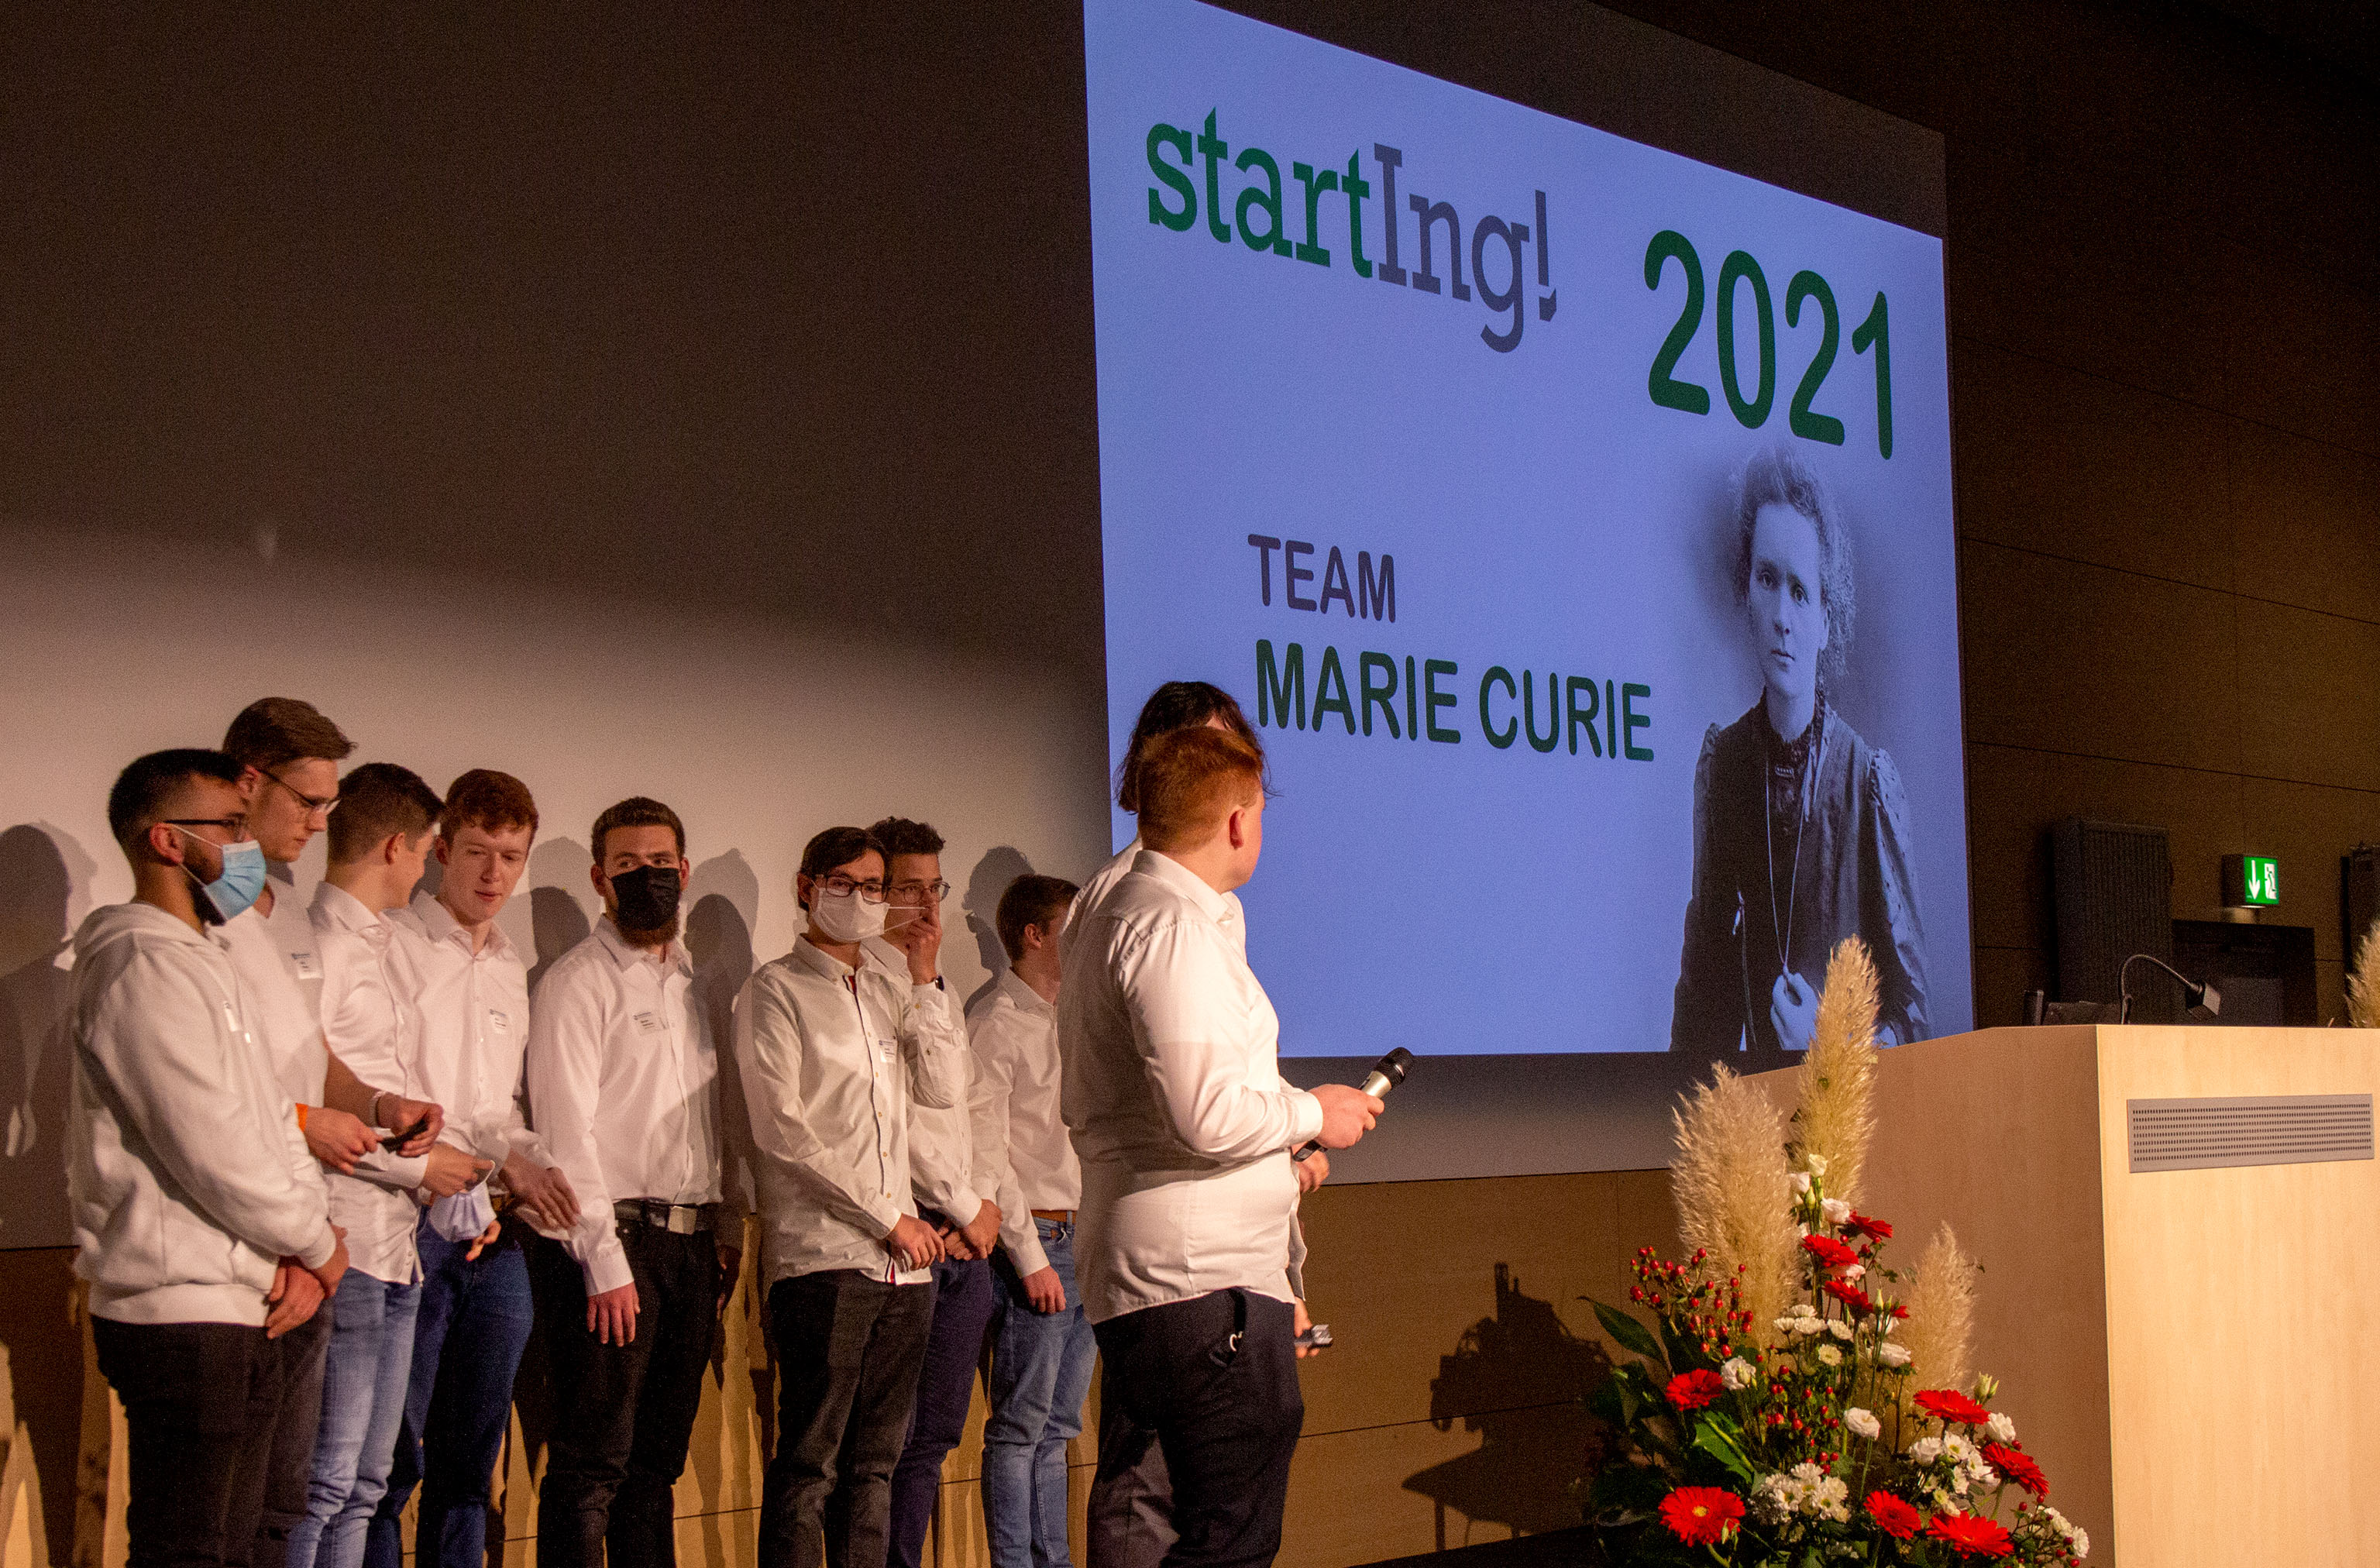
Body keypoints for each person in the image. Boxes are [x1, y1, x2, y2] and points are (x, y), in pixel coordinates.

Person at [1061, 727, 1380, 1568]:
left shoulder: (1121, 909)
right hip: (1205, 1285)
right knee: (1227, 1536)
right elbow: (1203, 1111)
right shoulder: (1171, 924)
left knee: (1152, 1518)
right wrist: (1313, 1111)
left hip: (1165, 1277)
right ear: (1239, 821)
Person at [67, 748, 350, 1568]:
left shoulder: (205, 958)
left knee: (240, 1537)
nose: (248, 842)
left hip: (246, 1292)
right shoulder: (140, 961)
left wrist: (303, 1244)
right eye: (229, 826)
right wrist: (317, 1241)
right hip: (180, 1307)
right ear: (166, 839)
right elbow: (214, 1146)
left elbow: (270, 1116)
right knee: (189, 1545)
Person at [216, 703, 444, 1568]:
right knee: (284, 1499)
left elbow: (309, 1060)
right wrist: (319, 1125)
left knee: (340, 1487)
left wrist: (383, 1105)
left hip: (334, 1239)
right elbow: (226, 1092)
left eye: (327, 804)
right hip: (279, 1239)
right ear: (248, 782)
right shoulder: (211, 921)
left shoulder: (276, 915)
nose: (320, 823)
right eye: (308, 801)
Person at [732, 826, 967, 1568]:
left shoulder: (895, 989)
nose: (860, 898)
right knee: (810, 1464)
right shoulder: (774, 989)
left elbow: (941, 1088)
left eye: (873, 887)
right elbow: (782, 1132)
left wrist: (927, 975)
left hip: (906, 1270)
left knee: (877, 1464)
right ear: (806, 888)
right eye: (844, 884)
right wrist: (886, 1217)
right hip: (825, 1260)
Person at [524, 797, 746, 1568]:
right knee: (592, 1465)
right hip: (611, 1246)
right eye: (626, 865)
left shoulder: (695, 982)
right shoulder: (577, 981)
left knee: (656, 1466)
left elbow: (710, 1120)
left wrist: (724, 1225)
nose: (646, 876)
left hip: (688, 1248)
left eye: (659, 862)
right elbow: (564, 1135)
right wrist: (604, 1265)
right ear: (599, 878)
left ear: (683, 870)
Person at [367, 770, 579, 1568]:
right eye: (480, 852)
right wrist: (494, 1165)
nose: (495, 874)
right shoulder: (392, 946)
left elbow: (495, 1106)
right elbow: (395, 1097)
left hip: (492, 1236)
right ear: (441, 849)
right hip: (408, 1229)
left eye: (512, 857)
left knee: (470, 1467)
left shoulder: (507, 965)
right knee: (387, 1469)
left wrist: (524, 1163)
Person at [292, 764, 492, 1568]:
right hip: (345, 1239)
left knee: (370, 1479)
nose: (430, 866)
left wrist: (414, 1130)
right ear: (399, 845)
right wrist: (423, 1168)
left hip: (397, 1244)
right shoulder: (319, 946)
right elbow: (305, 1102)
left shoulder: (380, 942)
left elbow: (368, 1089)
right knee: (327, 1480)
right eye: (431, 849)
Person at [1670, 447, 1928, 1064]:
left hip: (1849, 1131)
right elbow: (1703, 993)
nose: (1783, 617)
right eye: (1767, 581)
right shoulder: (1725, 768)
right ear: (1747, 594)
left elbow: (1915, 1020)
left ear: (1826, 620)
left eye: (1800, 592)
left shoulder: (1866, 781)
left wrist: (1831, 1041)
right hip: (1754, 1129)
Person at [868, 817, 1003, 1568]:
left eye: (933, 887)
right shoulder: (866, 988)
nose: (925, 905)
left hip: (963, 1242)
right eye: (907, 888)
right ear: (874, 894)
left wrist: (979, 1203)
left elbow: (970, 1107)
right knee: (889, 1439)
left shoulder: (937, 988)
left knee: (934, 1437)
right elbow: (898, 1123)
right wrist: (958, 1205)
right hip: (909, 1236)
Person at [970, 872, 1095, 1568]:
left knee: (1060, 1426)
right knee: (1020, 1427)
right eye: (1069, 926)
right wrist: (1030, 1257)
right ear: (1034, 934)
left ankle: (1056, 1560)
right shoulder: (994, 1023)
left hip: (1088, 1232)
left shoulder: (1073, 1017)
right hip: (1040, 1239)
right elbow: (990, 1156)